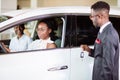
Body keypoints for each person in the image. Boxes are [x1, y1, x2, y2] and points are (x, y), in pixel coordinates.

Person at [80, 1, 119, 80]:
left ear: (100, 16)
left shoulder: (109, 35)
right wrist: (89, 50)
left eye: (92, 16)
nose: (91, 19)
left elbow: (108, 68)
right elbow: (101, 55)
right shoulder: (102, 31)